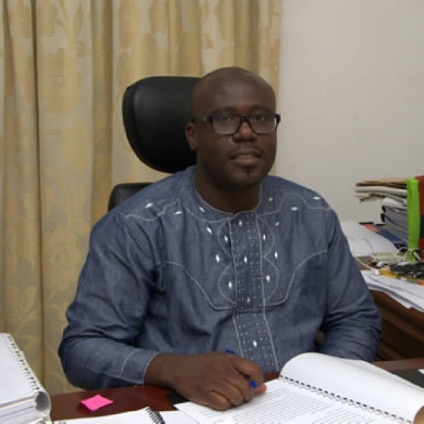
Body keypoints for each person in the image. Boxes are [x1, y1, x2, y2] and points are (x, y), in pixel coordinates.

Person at [59, 67, 381, 411]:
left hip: (306, 409)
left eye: (260, 118)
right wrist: (174, 369)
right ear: (193, 135)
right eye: (225, 120)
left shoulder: (312, 213)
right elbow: (82, 349)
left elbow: (355, 320)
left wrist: (325, 387)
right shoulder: (136, 225)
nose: (246, 133)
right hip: (187, 409)